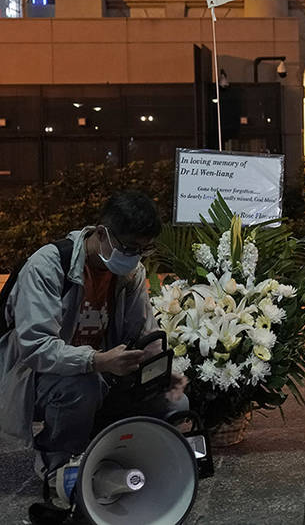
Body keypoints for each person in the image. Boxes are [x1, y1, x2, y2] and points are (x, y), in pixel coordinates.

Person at [0, 190, 187, 519]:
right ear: (102, 234)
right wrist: (97, 361)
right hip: (35, 376)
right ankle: (58, 469)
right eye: (129, 248)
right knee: (80, 388)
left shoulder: (129, 272)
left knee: (174, 401)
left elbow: (143, 331)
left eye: (142, 250)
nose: (134, 257)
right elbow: (36, 348)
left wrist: (160, 367)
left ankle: (107, 451)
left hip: (103, 369)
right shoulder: (47, 266)